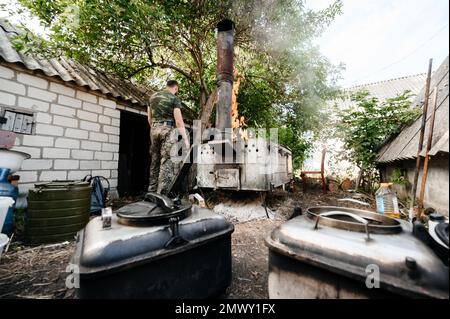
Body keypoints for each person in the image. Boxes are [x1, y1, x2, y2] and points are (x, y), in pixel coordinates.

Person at [147, 80, 190, 194]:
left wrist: (155, 128)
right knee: (166, 162)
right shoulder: (174, 98)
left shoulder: (152, 97)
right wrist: (186, 140)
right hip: (167, 130)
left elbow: (149, 118)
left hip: (154, 129)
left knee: (154, 161)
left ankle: (151, 191)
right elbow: (179, 122)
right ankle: (162, 194)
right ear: (175, 88)